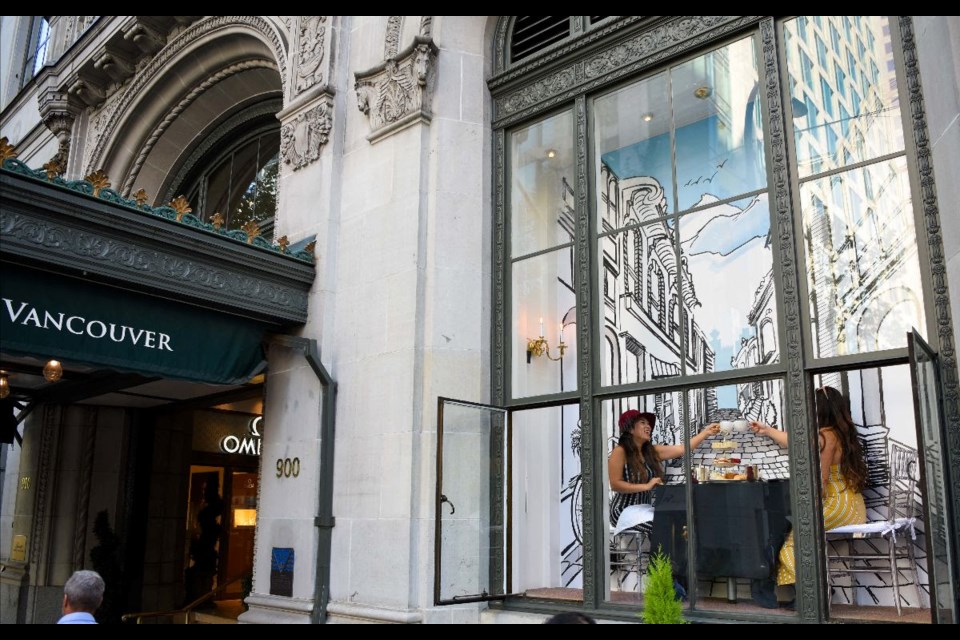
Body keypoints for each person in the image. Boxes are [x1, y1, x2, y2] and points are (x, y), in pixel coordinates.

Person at [751, 385, 868, 589]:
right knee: (804, 541)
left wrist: (806, 506)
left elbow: (820, 481)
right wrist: (768, 431)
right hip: (854, 506)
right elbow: (798, 442)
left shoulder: (824, 436)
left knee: (790, 546)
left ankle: (816, 593)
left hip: (837, 506)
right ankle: (805, 595)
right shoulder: (839, 433)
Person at [608, 409, 720, 529]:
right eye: (642, 422)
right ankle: (662, 549)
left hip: (644, 510)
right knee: (661, 526)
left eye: (648, 424)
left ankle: (675, 548)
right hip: (623, 511)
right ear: (630, 428)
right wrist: (646, 486)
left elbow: (683, 449)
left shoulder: (651, 451)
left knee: (677, 522)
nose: (648, 426)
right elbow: (615, 484)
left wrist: (706, 432)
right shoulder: (620, 451)